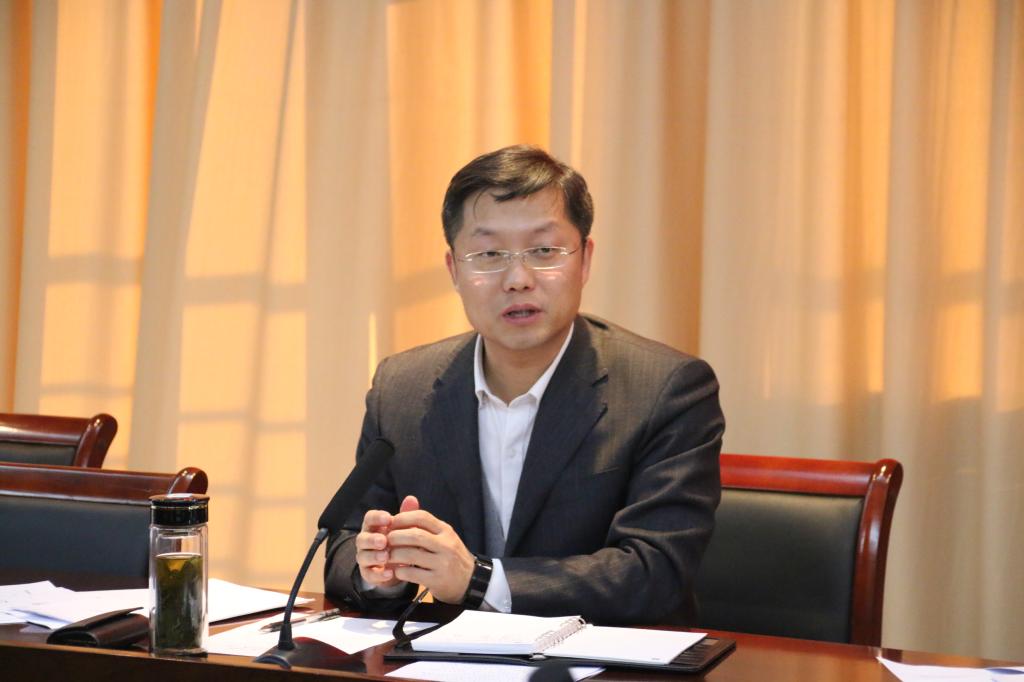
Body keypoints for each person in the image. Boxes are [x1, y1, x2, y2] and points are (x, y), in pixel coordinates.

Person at [324, 145, 724, 625]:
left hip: (602, 658)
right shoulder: (401, 388)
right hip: (446, 659)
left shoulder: (666, 389)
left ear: (585, 260)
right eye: (489, 254)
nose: (517, 279)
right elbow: (344, 543)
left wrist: (479, 580)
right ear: (454, 270)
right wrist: (380, 571)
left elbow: (654, 572)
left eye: (544, 251)